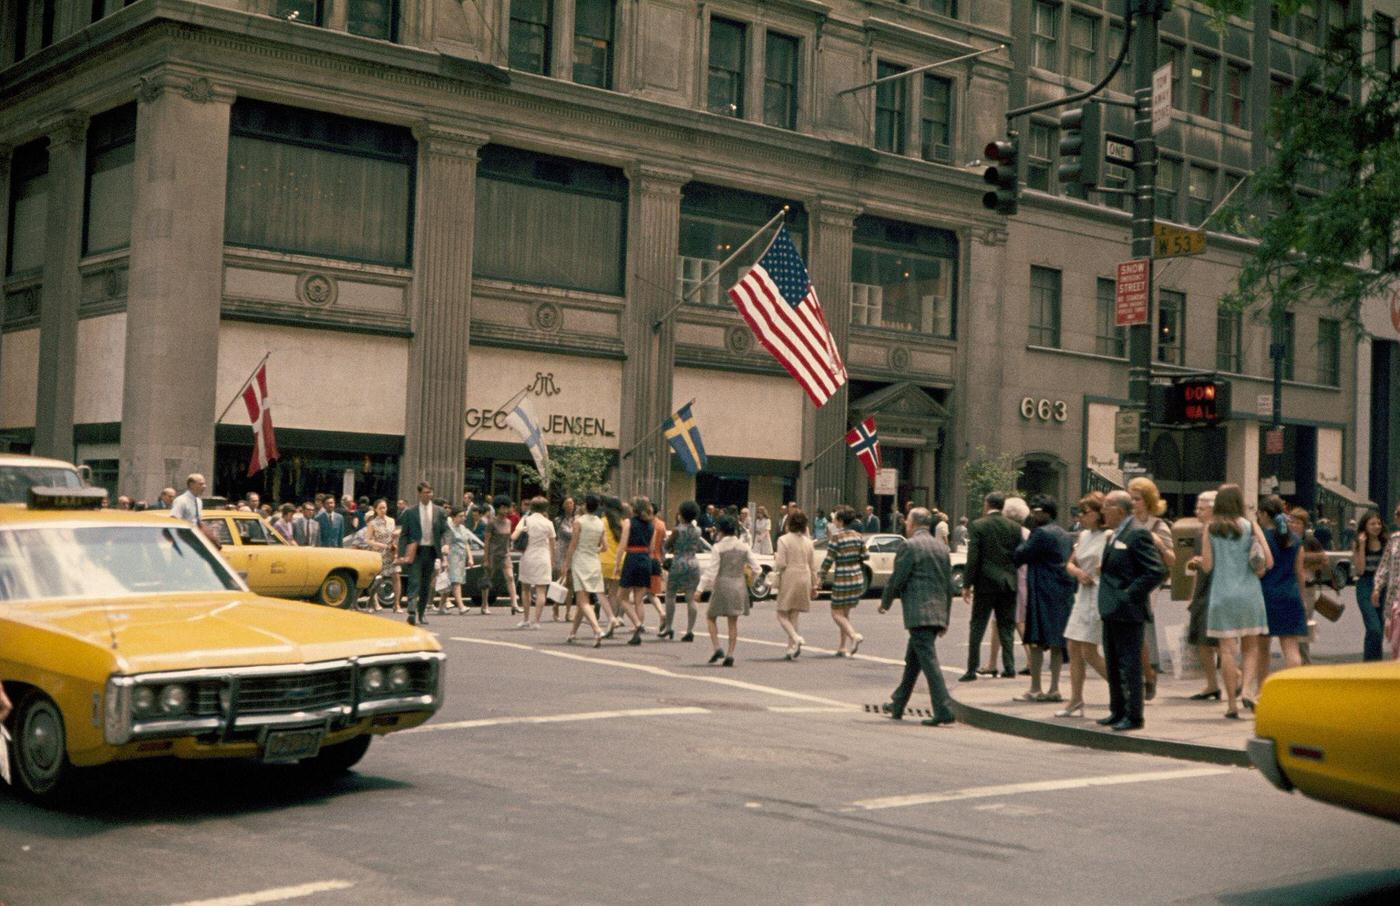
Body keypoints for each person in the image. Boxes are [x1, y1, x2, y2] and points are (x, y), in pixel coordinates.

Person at [878, 507, 958, 727]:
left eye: (907, 521)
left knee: (929, 662)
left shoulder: (909, 546)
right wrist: (946, 618)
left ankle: (943, 708)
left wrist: (885, 602)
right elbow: (948, 586)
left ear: (912, 524)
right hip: (937, 612)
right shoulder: (941, 548)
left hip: (918, 612)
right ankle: (898, 703)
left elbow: (898, 577)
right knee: (913, 661)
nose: (905, 524)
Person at [1096, 490, 1167, 732]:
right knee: (1114, 663)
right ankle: (1117, 710)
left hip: (1128, 611)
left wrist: (1129, 594)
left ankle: (1134, 715)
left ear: (1119, 510)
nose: (1102, 511)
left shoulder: (1137, 533)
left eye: (1106, 506)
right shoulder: (1114, 534)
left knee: (1130, 664)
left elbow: (1155, 571)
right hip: (1111, 609)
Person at [1200, 484, 1272, 720]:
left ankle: (1231, 703)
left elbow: (1208, 566)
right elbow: (1268, 561)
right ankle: (1248, 690)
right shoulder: (1250, 526)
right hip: (1250, 593)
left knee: (1226, 651)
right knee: (1251, 647)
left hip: (1221, 595)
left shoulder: (1210, 528)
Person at [1014, 495, 1075, 703]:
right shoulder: (1065, 534)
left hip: (1042, 590)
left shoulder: (1039, 533)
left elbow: (1021, 555)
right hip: (1063, 592)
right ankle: (1054, 688)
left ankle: (1035, 688)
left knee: (1036, 641)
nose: (1034, 514)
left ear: (1047, 512)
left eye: (1038, 511)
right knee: (1057, 643)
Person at [960, 492, 1021, 681]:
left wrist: (967, 584)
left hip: (985, 583)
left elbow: (973, 558)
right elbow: (1017, 556)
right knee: (1006, 627)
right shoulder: (1015, 527)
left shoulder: (978, 525)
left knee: (977, 626)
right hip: (1008, 582)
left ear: (987, 504)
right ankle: (1009, 667)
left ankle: (971, 669)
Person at [1060, 492, 1110, 718]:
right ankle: (1076, 699)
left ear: (1100, 513)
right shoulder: (1085, 534)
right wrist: (1078, 572)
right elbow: (1070, 563)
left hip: (1098, 593)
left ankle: (1123, 687)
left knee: (1089, 650)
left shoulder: (1109, 535)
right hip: (1083, 592)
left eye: (1086, 512)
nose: (1081, 516)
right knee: (1073, 647)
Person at [1253, 495, 1309, 682]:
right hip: (1290, 594)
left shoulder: (1261, 539)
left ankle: (1262, 691)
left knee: (1262, 650)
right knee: (1291, 649)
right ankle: (1294, 690)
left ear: (1264, 514)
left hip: (1265, 596)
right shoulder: (1294, 540)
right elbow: (1299, 572)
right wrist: (1301, 597)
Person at [699, 515, 762, 666]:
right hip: (739, 584)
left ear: (721, 530)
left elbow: (711, 571)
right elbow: (757, 569)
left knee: (710, 616)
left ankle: (716, 647)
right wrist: (750, 580)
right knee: (733, 622)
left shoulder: (718, 547)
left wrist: (700, 588)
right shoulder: (743, 546)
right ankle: (730, 653)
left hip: (722, 584)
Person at [1183, 491, 1222, 700]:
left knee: (1216, 641)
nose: (1198, 512)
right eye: (1197, 508)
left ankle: (1236, 677)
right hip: (1203, 590)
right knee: (1201, 639)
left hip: (1217, 589)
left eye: (1202, 508)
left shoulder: (1220, 532)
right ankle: (1212, 684)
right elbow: (1198, 569)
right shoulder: (1201, 533)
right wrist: (1192, 595)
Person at [397, 481, 449, 626]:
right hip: (416, 551)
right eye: (426, 492)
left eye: (430, 492)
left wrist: (445, 544)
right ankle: (412, 610)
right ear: (419, 494)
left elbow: (445, 531)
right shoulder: (410, 512)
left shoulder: (439, 511)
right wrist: (402, 554)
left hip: (431, 551)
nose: (429, 495)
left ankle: (421, 613)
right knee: (414, 580)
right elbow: (404, 534)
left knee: (426, 584)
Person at [773, 508, 820, 660]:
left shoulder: (783, 540)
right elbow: (813, 565)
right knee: (794, 613)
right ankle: (790, 648)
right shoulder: (808, 542)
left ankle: (795, 638)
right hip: (805, 576)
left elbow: (781, 563)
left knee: (781, 613)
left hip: (790, 575)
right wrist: (814, 585)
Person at [819, 505, 867, 656]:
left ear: (840, 521)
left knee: (836, 613)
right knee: (845, 613)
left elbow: (828, 560)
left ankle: (854, 636)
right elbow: (865, 557)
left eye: (836, 519)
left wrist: (820, 577)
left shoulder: (837, 537)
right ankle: (842, 646)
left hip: (842, 578)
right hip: (857, 577)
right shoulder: (858, 536)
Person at [563, 494, 607, 646]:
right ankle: (572, 633)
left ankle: (596, 629)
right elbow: (605, 547)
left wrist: (565, 564)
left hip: (580, 561)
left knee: (582, 601)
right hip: (594, 562)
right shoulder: (600, 523)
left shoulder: (578, 522)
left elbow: (573, 545)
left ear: (585, 505)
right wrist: (594, 549)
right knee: (584, 601)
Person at [1288, 507, 1329, 664]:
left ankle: (1305, 660)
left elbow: (1324, 561)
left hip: (1307, 587)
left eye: (1297, 522)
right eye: (1291, 521)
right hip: (1290, 586)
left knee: (1303, 623)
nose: (1293, 525)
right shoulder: (1286, 540)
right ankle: (1295, 658)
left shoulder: (1310, 541)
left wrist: (1305, 563)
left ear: (1304, 525)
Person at [615, 497, 658, 645]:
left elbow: (622, 545)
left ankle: (637, 624)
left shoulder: (628, 523)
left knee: (621, 596)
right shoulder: (652, 525)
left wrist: (617, 563)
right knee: (639, 600)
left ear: (634, 509)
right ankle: (638, 628)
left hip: (632, 557)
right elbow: (652, 548)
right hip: (645, 559)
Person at [661, 501, 705, 642]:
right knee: (690, 597)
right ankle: (690, 630)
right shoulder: (697, 531)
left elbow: (667, 546)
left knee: (671, 594)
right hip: (693, 563)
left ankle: (668, 626)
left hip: (678, 562)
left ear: (681, 514)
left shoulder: (677, 530)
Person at [514, 497, 556, 628]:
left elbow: (514, 536)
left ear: (531, 507)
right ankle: (536, 621)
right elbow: (552, 544)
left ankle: (526, 618)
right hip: (543, 556)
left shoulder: (526, 520)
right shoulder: (549, 523)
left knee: (525, 588)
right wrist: (552, 560)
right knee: (541, 590)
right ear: (545, 508)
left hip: (528, 555)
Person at [1354, 509, 1389, 661]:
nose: (1376, 526)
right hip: (1366, 585)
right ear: (1365, 526)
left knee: (1379, 629)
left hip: (1383, 587)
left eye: (1378, 523)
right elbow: (1360, 570)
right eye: (1372, 523)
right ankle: (1369, 663)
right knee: (1373, 627)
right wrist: (1361, 546)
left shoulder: (1387, 542)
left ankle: (1374, 664)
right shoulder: (1358, 542)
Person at [480, 496, 519, 615]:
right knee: (487, 579)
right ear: (497, 508)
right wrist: (486, 558)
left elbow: (508, 539)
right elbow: (486, 541)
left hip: (505, 554)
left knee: (510, 577)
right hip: (493, 554)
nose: (505, 510)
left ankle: (514, 604)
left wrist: (509, 550)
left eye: (507, 507)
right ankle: (484, 604)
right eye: (503, 508)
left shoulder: (509, 522)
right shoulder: (491, 522)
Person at [363, 499, 400, 613]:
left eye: (385, 507)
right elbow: (367, 539)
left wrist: (395, 542)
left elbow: (393, 535)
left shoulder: (391, 521)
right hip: (379, 553)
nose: (383, 510)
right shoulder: (373, 523)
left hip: (391, 552)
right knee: (378, 579)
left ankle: (396, 604)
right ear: (376, 509)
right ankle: (372, 602)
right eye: (380, 508)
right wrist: (381, 545)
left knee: (396, 576)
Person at [1373, 504, 1400, 658]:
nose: (1398, 517)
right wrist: (1377, 587)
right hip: (1395, 600)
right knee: (1395, 644)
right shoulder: (1394, 540)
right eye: (1397, 514)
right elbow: (1384, 567)